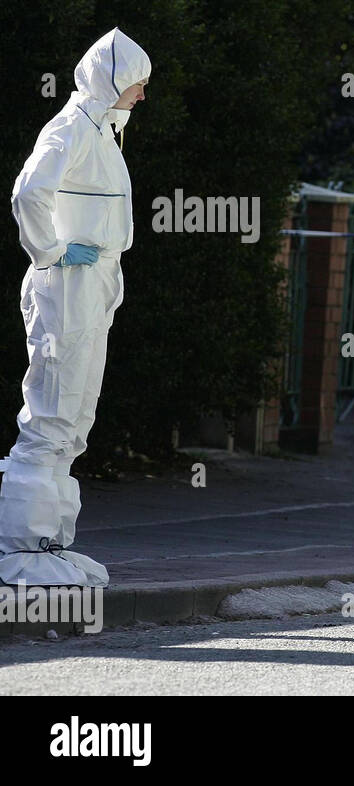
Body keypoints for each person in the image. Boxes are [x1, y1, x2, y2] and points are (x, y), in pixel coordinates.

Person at [0, 29, 151, 588]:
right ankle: (21, 543)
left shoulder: (98, 133)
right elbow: (27, 193)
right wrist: (54, 252)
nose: (140, 96)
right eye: (137, 84)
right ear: (112, 79)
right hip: (67, 283)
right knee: (53, 405)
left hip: (92, 280)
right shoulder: (70, 129)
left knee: (75, 414)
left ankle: (48, 541)